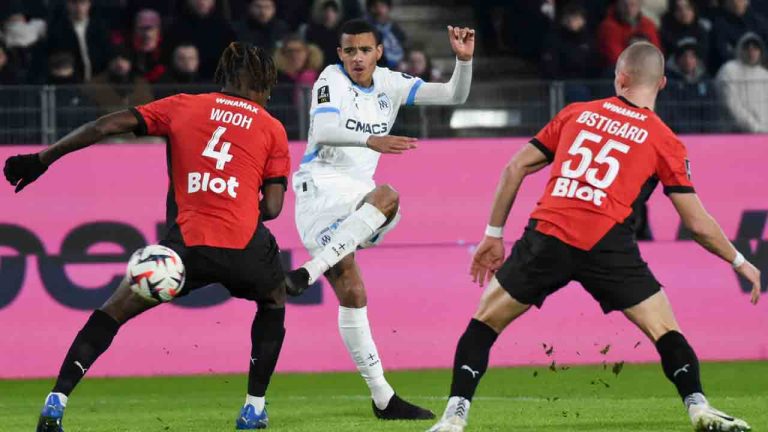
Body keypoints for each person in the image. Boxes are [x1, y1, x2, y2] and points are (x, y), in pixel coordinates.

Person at [427, 42, 760, 432]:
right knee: (665, 330)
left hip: (549, 234)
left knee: (484, 324)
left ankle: (454, 417)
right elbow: (697, 224)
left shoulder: (576, 113)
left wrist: (493, 235)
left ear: (620, 78)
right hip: (608, 244)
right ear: (662, 83)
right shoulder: (664, 139)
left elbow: (515, 167)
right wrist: (739, 260)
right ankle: (698, 407)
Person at [4, 42, 291, 432]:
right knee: (273, 300)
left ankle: (56, 402)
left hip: (185, 247)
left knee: (114, 309)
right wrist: (235, 204)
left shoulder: (183, 105)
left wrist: (42, 159)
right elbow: (272, 208)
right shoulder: (272, 127)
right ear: (263, 83)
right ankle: (253, 409)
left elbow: (104, 126)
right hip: (244, 246)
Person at [284, 19, 475, 421]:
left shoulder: (390, 83)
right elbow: (324, 128)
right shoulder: (331, 79)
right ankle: (383, 397)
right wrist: (372, 139)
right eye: (350, 50)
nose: (357, 58)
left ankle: (308, 272)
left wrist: (463, 62)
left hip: (359, 197)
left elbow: (454, 95)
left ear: (379, 52)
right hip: (319, 190)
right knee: (353, 292)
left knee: (387, 199)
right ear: (340, 54)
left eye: (365, 50)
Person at [716, 32, 768, 133]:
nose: (751, 52)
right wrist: (755, 128)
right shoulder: (729, 70)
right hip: (734, 132)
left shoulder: (764, 74)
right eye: (747, 48)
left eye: (755, 48)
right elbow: (732, 105)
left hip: (763, 132)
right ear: (740, 49)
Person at [598, 0, 662, 67]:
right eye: (624, 5)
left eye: (632, 5)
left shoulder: (648, 25)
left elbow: (657, 54)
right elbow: (616, 58)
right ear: (617, 4)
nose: (628, 9)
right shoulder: (608, 27)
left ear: (639, 5)